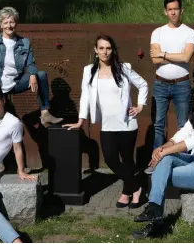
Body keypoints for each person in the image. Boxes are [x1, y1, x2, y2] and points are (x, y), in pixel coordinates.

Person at [63, 35, 148, 208]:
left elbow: (143, 84)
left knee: (127, 160)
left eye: (108, 48)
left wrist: (140, 106)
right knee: (110, 159)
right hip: (107, 124)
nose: (105, 51)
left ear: (113, 50)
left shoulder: (124, 68)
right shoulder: (89, 70)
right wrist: (80, 121)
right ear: (95, 50)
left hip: (127, 123)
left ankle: (126, 192)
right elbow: (85, 96)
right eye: (101, 48)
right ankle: (136, 187)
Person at [133, 88, 194, 238]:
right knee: (164, 161)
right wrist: (162, 148)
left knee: (160, 172)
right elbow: (180, 135)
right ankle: (155, 210)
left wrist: (163, 152)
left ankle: (155, 217)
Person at [0, 6, 62, 127]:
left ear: (16, 23)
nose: (9, 25)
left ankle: (45, 113)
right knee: (4, 122)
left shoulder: (24, 42)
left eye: (12, 22)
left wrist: (32, 74)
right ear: (1, 25)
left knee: (41, 75)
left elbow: (30, 63)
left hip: (16, 83)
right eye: (5, 22)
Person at [150, 0, 194, 150]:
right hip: (160, 84)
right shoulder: (157, 32)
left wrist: (163, 54)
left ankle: (181, 160)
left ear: (181, 10)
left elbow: (186, 57)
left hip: (181, 84)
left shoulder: (190, 32)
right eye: (170, 9)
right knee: (158, 125)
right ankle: (156, 160)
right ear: (165, 12)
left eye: (176, 9)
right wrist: (177, 56)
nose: (173, 12)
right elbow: (155, 60)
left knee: (183, 126)